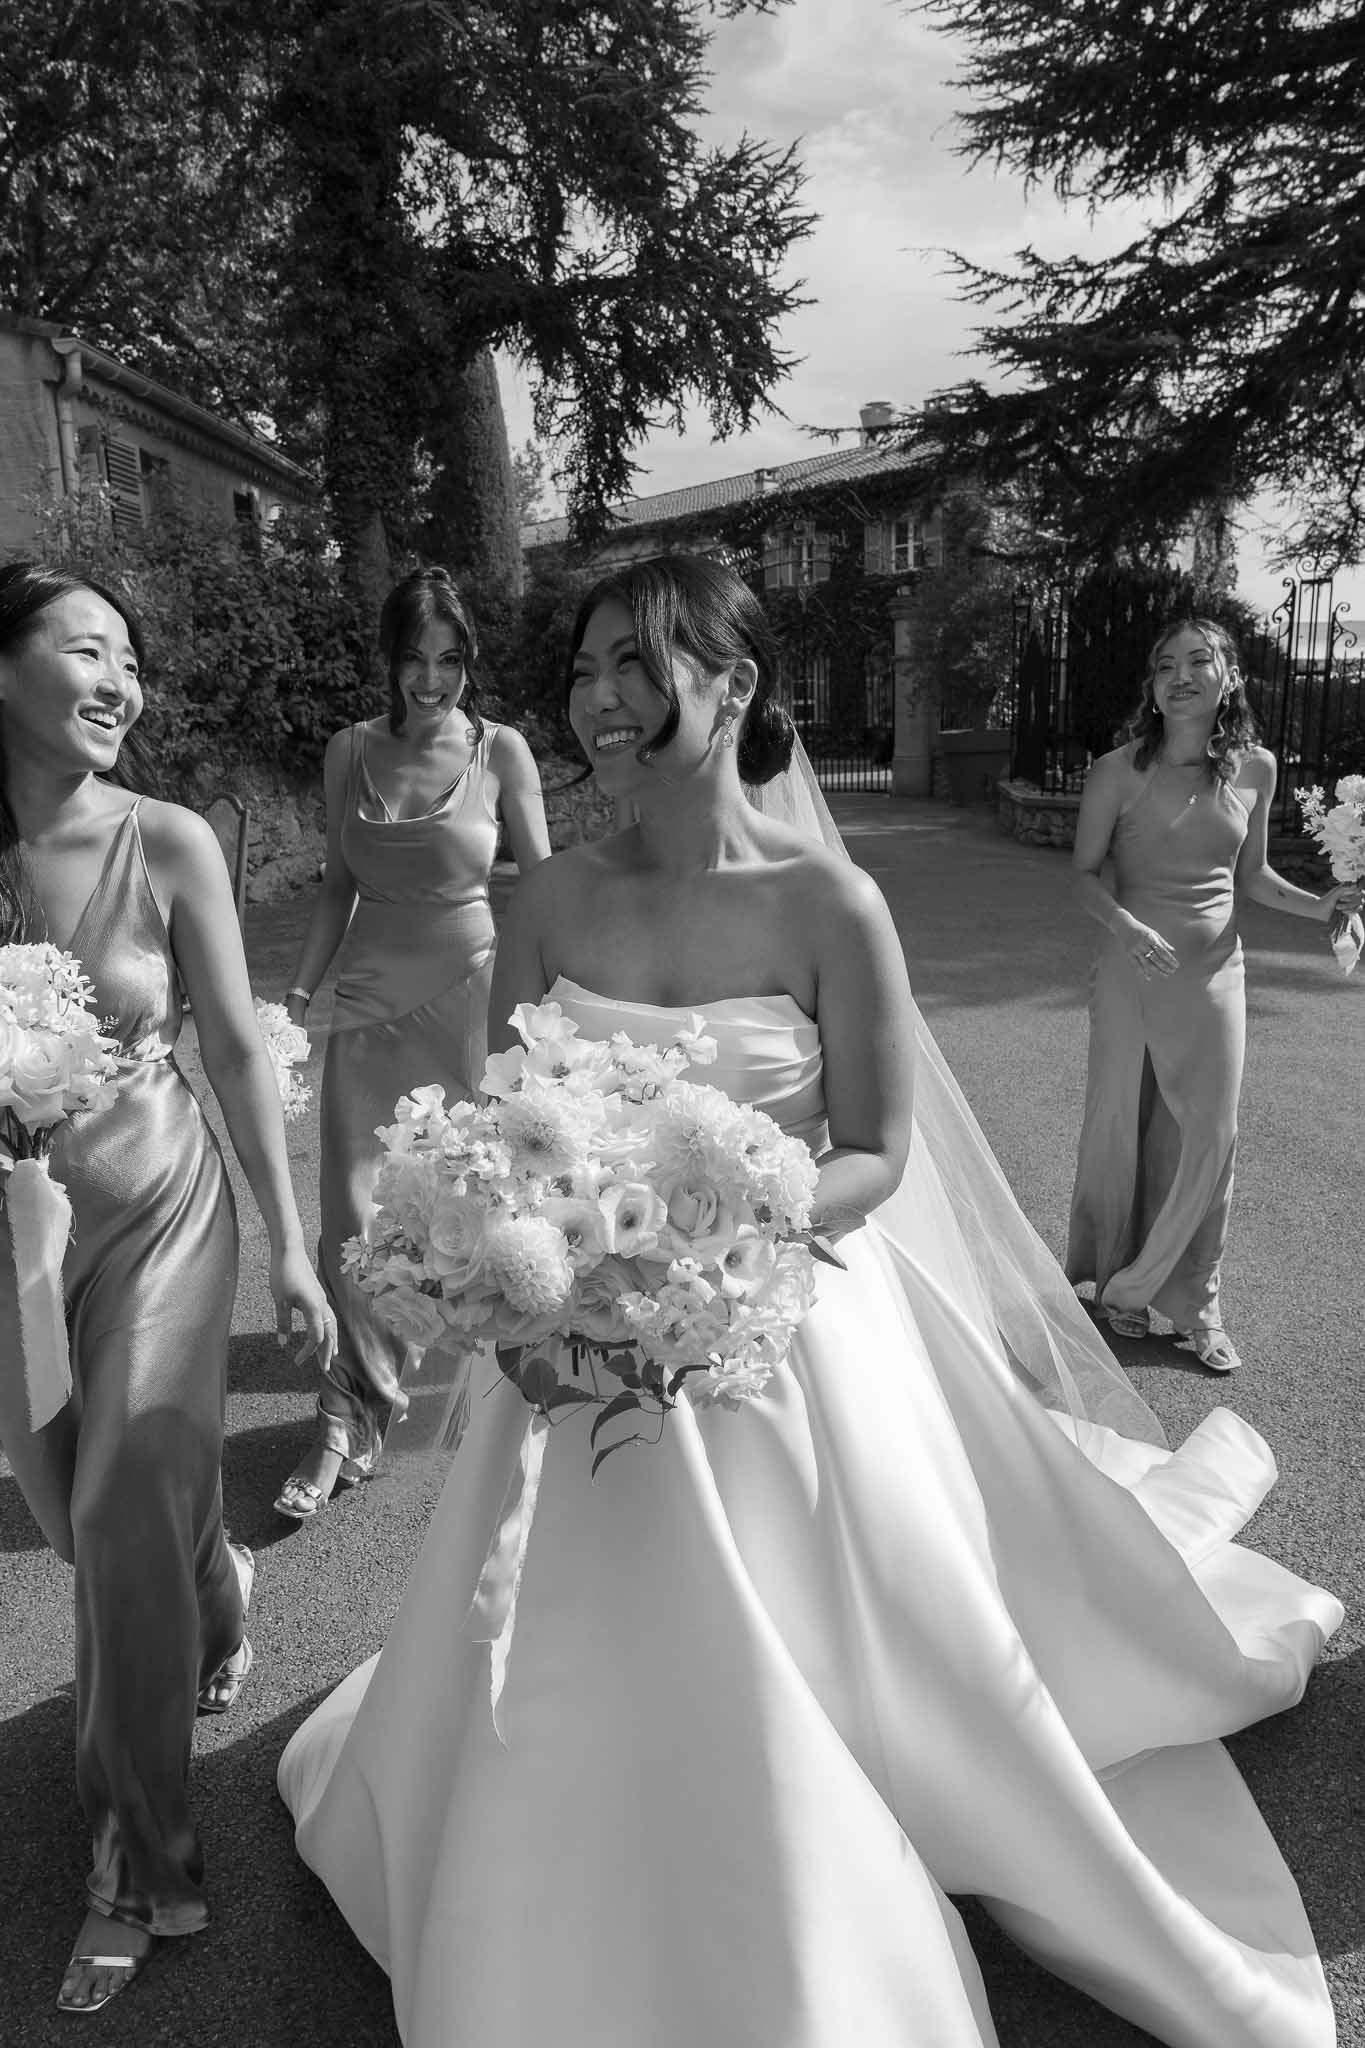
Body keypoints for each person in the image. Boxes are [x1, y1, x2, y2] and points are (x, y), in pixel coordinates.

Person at [278, 555, 1341, 2048]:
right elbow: (497, 1121)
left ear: (736, 687)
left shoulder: (828, 903)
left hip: (769, 1322)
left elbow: (876, 1155)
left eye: (641, 667)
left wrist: (714, 1246)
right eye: (586, 670)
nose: (600, 701)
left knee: (873, 1652)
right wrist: (538, 1262)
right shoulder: (550, 900)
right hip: (582, 1343)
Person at [0, 560, 335, 2013]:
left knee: (128, 1486)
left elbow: (242, 1051)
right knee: (84, 1519)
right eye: (89, 650)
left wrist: (291, 1242)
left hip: (160, 1207)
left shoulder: (173, 837)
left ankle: (142, 1864)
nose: (123, 681)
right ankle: (217, 1592)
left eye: (132, 658)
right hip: (14, 1241)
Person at [272, 566, 549, 1519]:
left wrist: (549, 1011)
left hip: (470, 996)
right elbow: (335, 888)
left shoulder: (502, 751)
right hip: (364, 999)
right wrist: (298, 995)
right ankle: (348, 1415)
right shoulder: (349, 749)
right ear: (388, 663)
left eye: (449, 662)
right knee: (352, 1218)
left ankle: (445, 1382)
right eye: (413, 661)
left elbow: (542, 890)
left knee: (459, 1206)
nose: (431, 682)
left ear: (468, 662)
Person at [1066, 617, 1363, 1373]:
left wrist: (1323, 905)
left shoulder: (1255, 769)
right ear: (1150, 685)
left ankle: (1194, 1303)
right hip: (1132, 976)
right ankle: (1108, 1279)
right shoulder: (1116, 771)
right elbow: (1081, 875)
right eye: (1164, 664)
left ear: (1227, 676)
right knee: (1122, 1126)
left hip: (1215, 977)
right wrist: (1127, 929)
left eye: (1199, 661)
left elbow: (1252, 878)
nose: (1180, 676)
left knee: (1209, 1134)